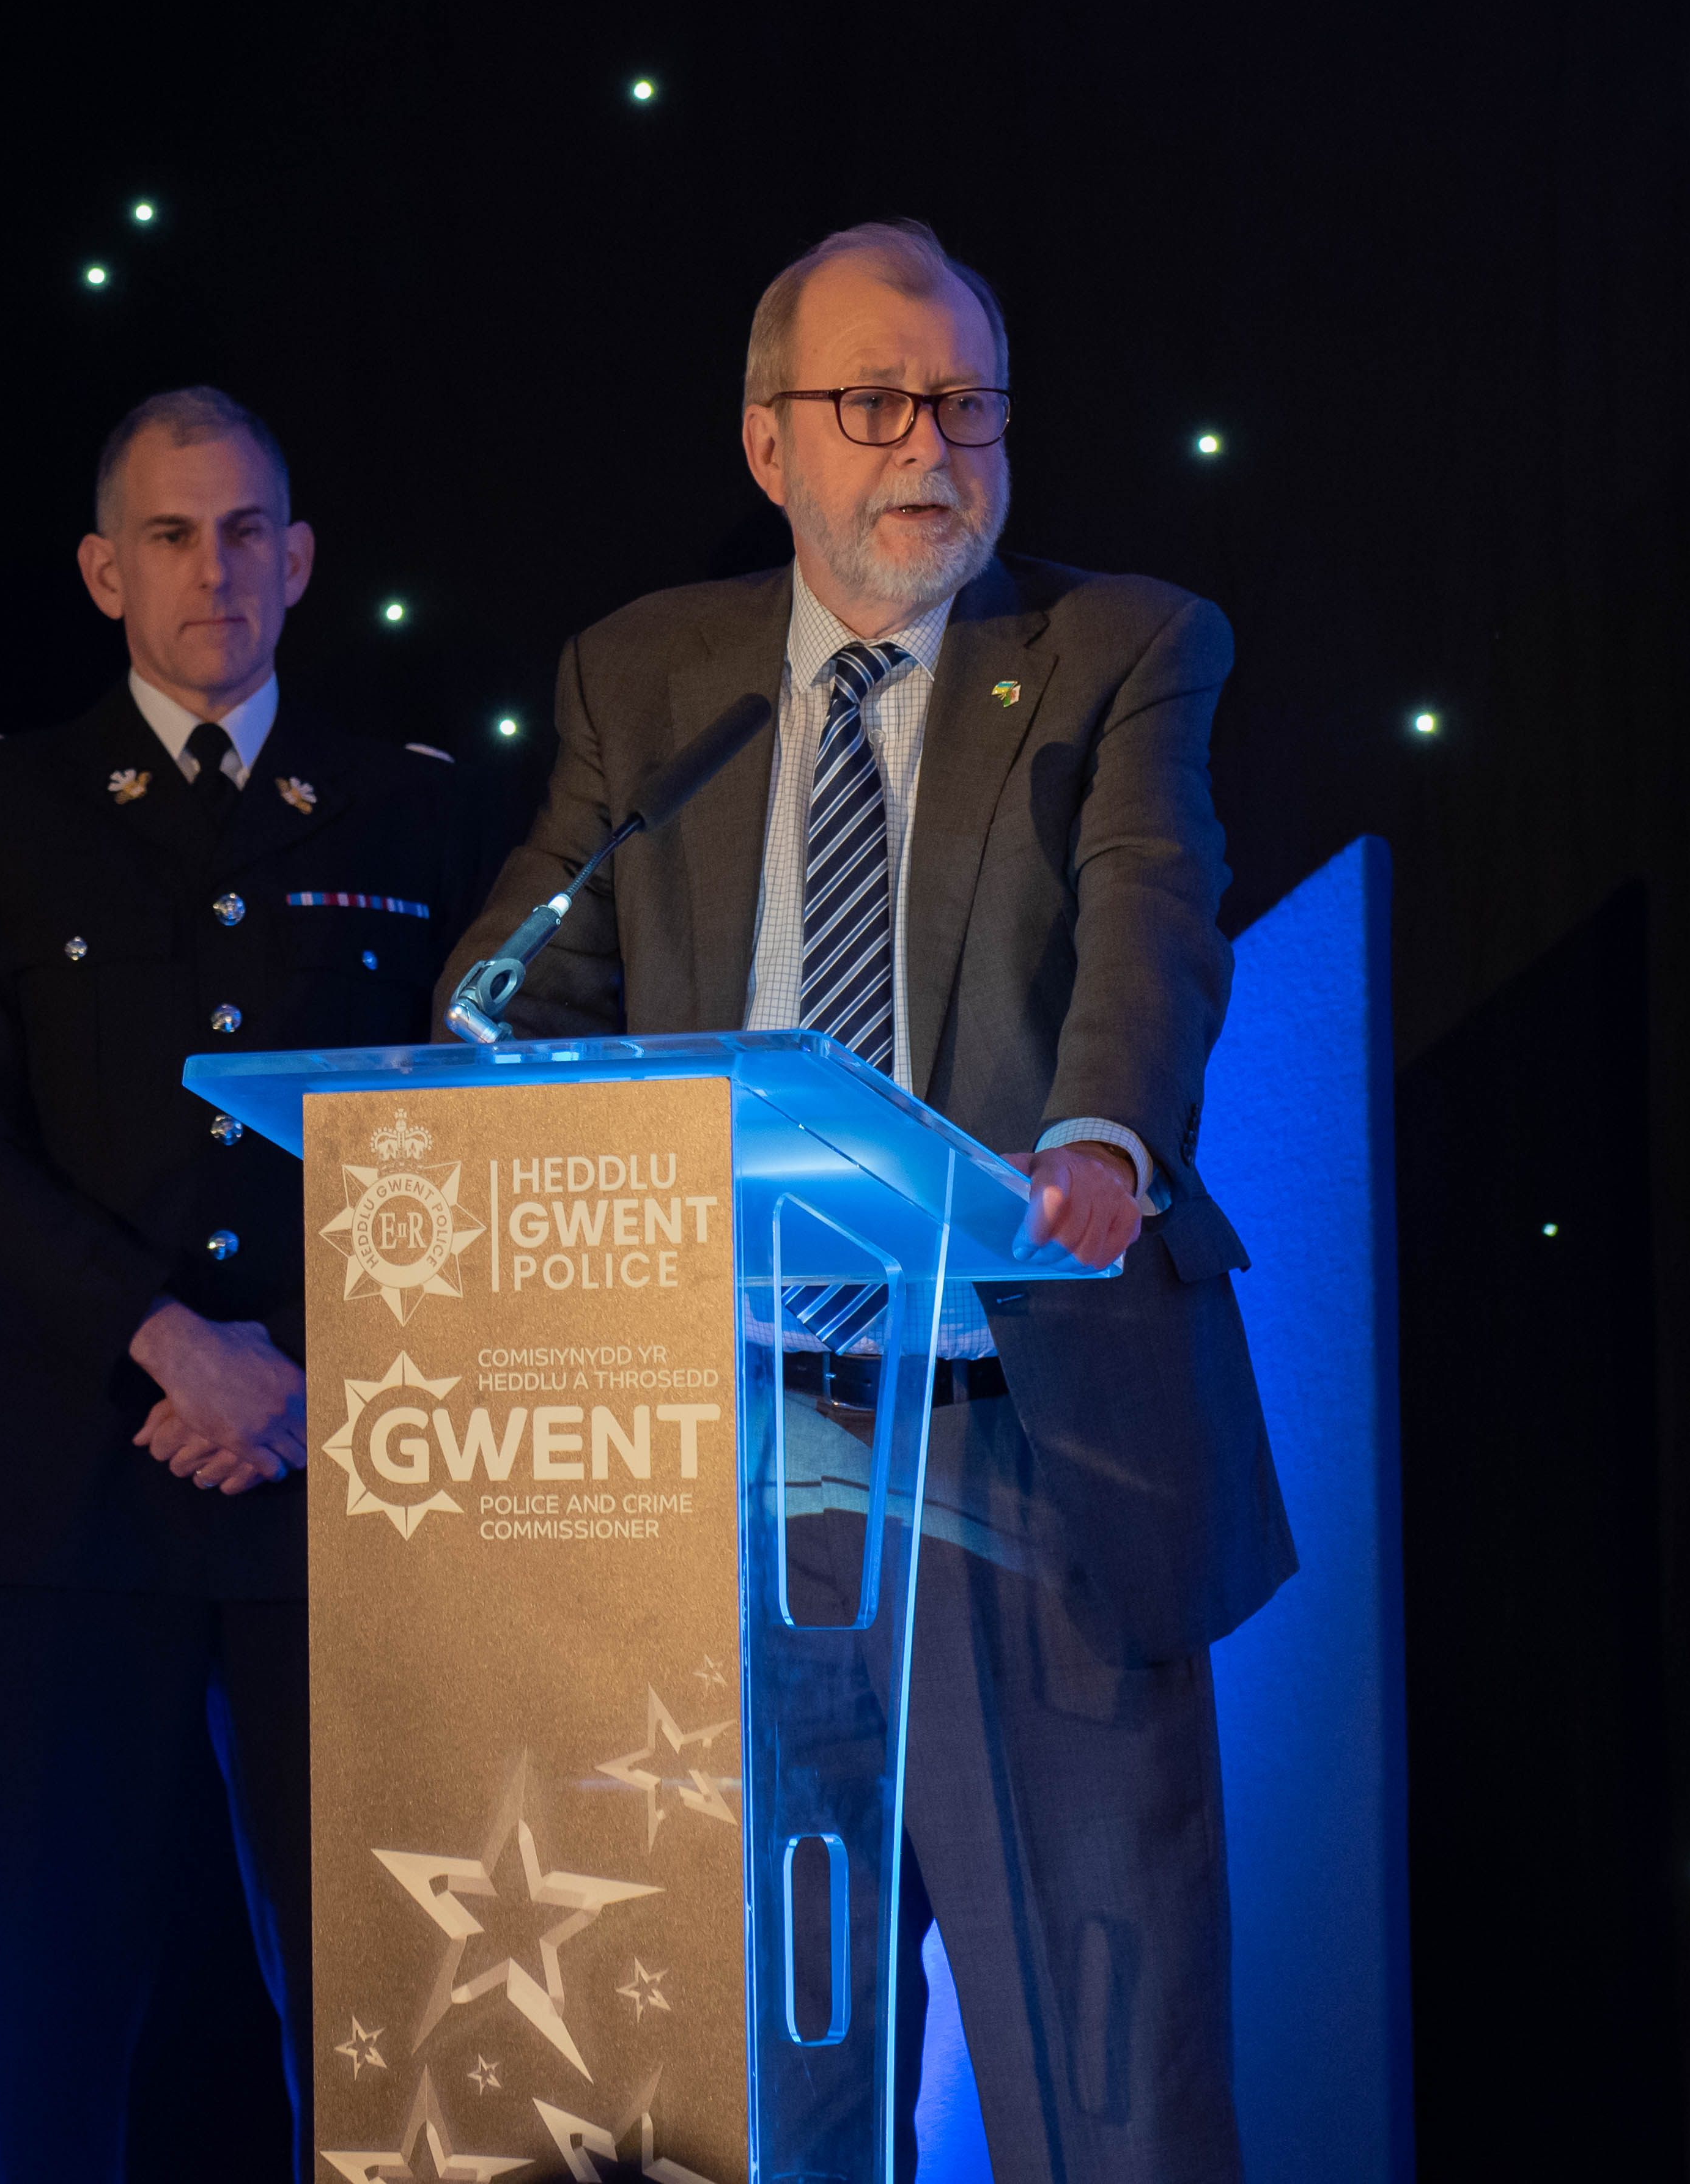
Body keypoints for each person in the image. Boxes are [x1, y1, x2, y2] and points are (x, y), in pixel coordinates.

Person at [439, 221, 1291, 2183]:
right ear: (769, 446)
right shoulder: (646, 676)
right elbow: (523, 984)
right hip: (713, 1472)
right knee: (752, 2091)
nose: (933, 445)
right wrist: (468, 1089)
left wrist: (1099, 1143)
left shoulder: (1120, 645)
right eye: (878, 403)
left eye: (968, 403)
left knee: (1115, 2087)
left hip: (1024, 1446)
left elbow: (1154, 920)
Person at [0, 386, 480, 2181]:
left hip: (354, 1480)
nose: (210, 568)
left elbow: (490, 1141)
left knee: (398, 2044)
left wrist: (297, 1367)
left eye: (244, 532)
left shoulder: (425, 816)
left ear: (299, 562)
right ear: (101, 570)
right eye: (167, 533)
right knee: (49, 2041)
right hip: (70, 1496)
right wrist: (172, 1343)